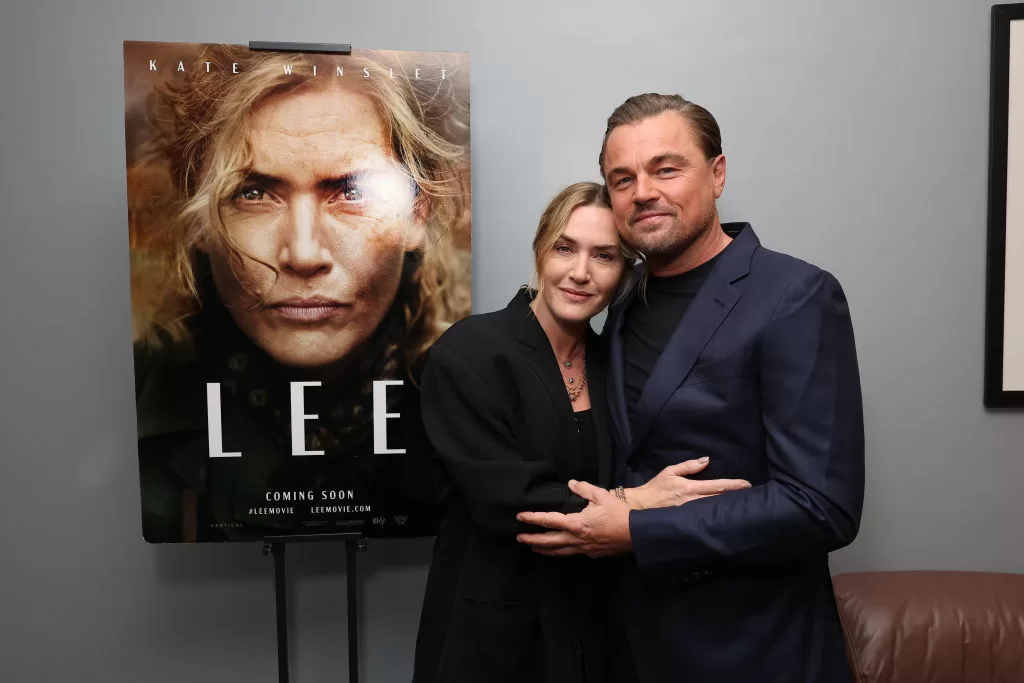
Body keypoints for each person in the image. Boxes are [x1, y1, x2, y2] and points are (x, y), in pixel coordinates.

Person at [517, 93, 866, 683]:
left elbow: (822, 506)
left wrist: (637, 531)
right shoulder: (618, 297)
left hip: (752, 649)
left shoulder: (795, 296)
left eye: (666, 169)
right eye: (622, 179)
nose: (642, 192)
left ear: (718, 174)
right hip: (628, 643)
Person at [125, 43, 471, 542]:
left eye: (353, 191)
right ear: (199, 218)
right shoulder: (141, 396)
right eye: (253, 193)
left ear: (418, 211)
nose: (304, 254)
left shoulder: (473, 401)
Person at [411, 181, 751, 683]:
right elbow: (508, 500)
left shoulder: (615, 364)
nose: (580, 272)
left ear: (625, 274)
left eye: (604, 256)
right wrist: (635, 502)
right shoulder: (470, 352)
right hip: (495, 636)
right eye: (565, 248)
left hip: (597, 630)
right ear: (539, 250)